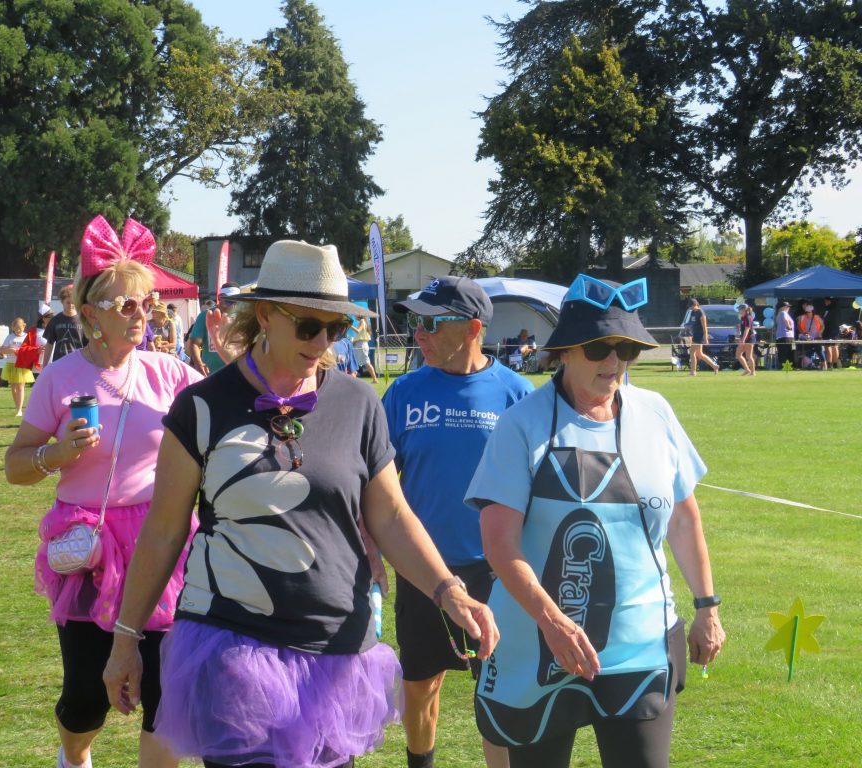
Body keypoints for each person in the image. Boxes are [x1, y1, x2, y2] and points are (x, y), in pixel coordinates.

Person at [103, 240, 499, 768]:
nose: (323, 342)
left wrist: (448, 590)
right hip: (235, 643)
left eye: (336, 328)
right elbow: (164, 530)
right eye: (309, 326)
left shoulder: (358, 403)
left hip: (336, 647)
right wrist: (125, 639)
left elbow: (390, 514)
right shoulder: (202, 406)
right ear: (266, 315)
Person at [465, 274, 726, 768]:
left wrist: (706, 607)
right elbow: (500, 545)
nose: (614, 362)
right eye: (599, 347)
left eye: (626, 348)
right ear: (565, 350)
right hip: (538, 644)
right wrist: (552, 623)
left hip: (640, 642)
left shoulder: (656, 413)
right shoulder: (521, 425)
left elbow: (683, 519)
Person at [5, 215, 202, 768]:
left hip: (163, 541)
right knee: (86, 696)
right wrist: (55, 455)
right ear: (90, 314)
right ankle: (75, 755)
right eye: (127, 305)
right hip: (88, 547)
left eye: (148, 303)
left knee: (164, 689)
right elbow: (15, 467)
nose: (143, 315)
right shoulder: (60, 378)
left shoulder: (171, 373)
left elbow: (227, 416)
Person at [382, 276, 534, 768]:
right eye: (415, 322)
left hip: (497, 572)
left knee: (497, 686)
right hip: (423, 569)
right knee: (421, 683)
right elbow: (375, 488)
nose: (417, 334)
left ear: (472, 328)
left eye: (430, 323)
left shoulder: (516, 394)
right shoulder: (403, 393)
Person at [186, 284, 240, 376]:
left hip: (235, 372)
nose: (232, 305)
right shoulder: (206, 316)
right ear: (220, 298)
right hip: (210, 374)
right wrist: (199, 364)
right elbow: (195, 343)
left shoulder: (241, 317)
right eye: (228, 301)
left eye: (235, 302)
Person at [43, 284, 86, 368]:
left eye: (73, 303)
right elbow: (49, 344)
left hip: (79, 364)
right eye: (68, 302)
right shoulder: (55, 320)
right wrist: (44, 366)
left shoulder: (84, 321)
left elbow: (89, 345)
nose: (71, 305)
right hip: (59, 364)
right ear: (62, 302)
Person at [1, 317, 36, 417]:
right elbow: (2, 350)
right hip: (11, 364)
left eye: (20, 328)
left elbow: (32, 349)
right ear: (13, 327)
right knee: (13, 387)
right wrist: (11, 350)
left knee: (20, 387)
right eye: (16, 328)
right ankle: (17, 407)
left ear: (24, 326)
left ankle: (19, 410)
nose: (18, 330)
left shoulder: (27, 336)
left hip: (22, 364)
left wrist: (23, 352)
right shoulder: (9, 337)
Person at [686, 298, 719, 375]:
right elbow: (692, 323)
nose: (690, 307)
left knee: (692, 352)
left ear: (695, 305)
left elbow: (704, 327)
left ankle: (693, 371)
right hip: (695, 335)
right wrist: (688, 328)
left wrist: (706, 338)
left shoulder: (701, 313)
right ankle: (714, 366)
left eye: (691, 306)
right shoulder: (692, 312)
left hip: (699, 336)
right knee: (700, 354)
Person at [796, 303, 825, 369]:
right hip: (807, 339)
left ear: (813, 312)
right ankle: (810, 365)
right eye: (807, 312)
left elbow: (823, 326)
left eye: (809, 312)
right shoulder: (802, 318)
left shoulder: (817, 317)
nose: (808, 313)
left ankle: (824, 366)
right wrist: (803, 332)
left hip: (817, 338)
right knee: (808, 352)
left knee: (819, 351)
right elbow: (798, 327)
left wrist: (820, 333)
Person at [351, 316, 378, 381]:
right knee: (356, 362)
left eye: (356, 314)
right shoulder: (362, 321)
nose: (355, 316)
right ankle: (353, 378)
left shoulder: (362, 321)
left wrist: (350, 326)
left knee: (366, 362)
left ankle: (375, 379)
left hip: (361, 345)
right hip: (359, 345)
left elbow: (358, 331)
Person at [735, 304, 757, 376]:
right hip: (744, 339)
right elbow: (742, 329)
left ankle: (753, 372)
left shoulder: (748, 317)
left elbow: (747, 329)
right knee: (738, 355)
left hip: (749, 339)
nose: (738, 310)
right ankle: (747, 370)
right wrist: (741, 338)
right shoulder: (742, 317)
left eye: (739, 309)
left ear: (744, 310)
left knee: (749, 356)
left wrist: (743, 340)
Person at [774, 300, 794, 368]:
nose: (789, 308)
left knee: (783, 352)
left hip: (784, 336)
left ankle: (785, 366)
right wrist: (789, 327)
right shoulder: (783, 313)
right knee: (785, 352)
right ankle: (785, 367)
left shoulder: (780, 314)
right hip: (785, 336)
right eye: (787, 307)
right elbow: (785, 320)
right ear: (783, 307)